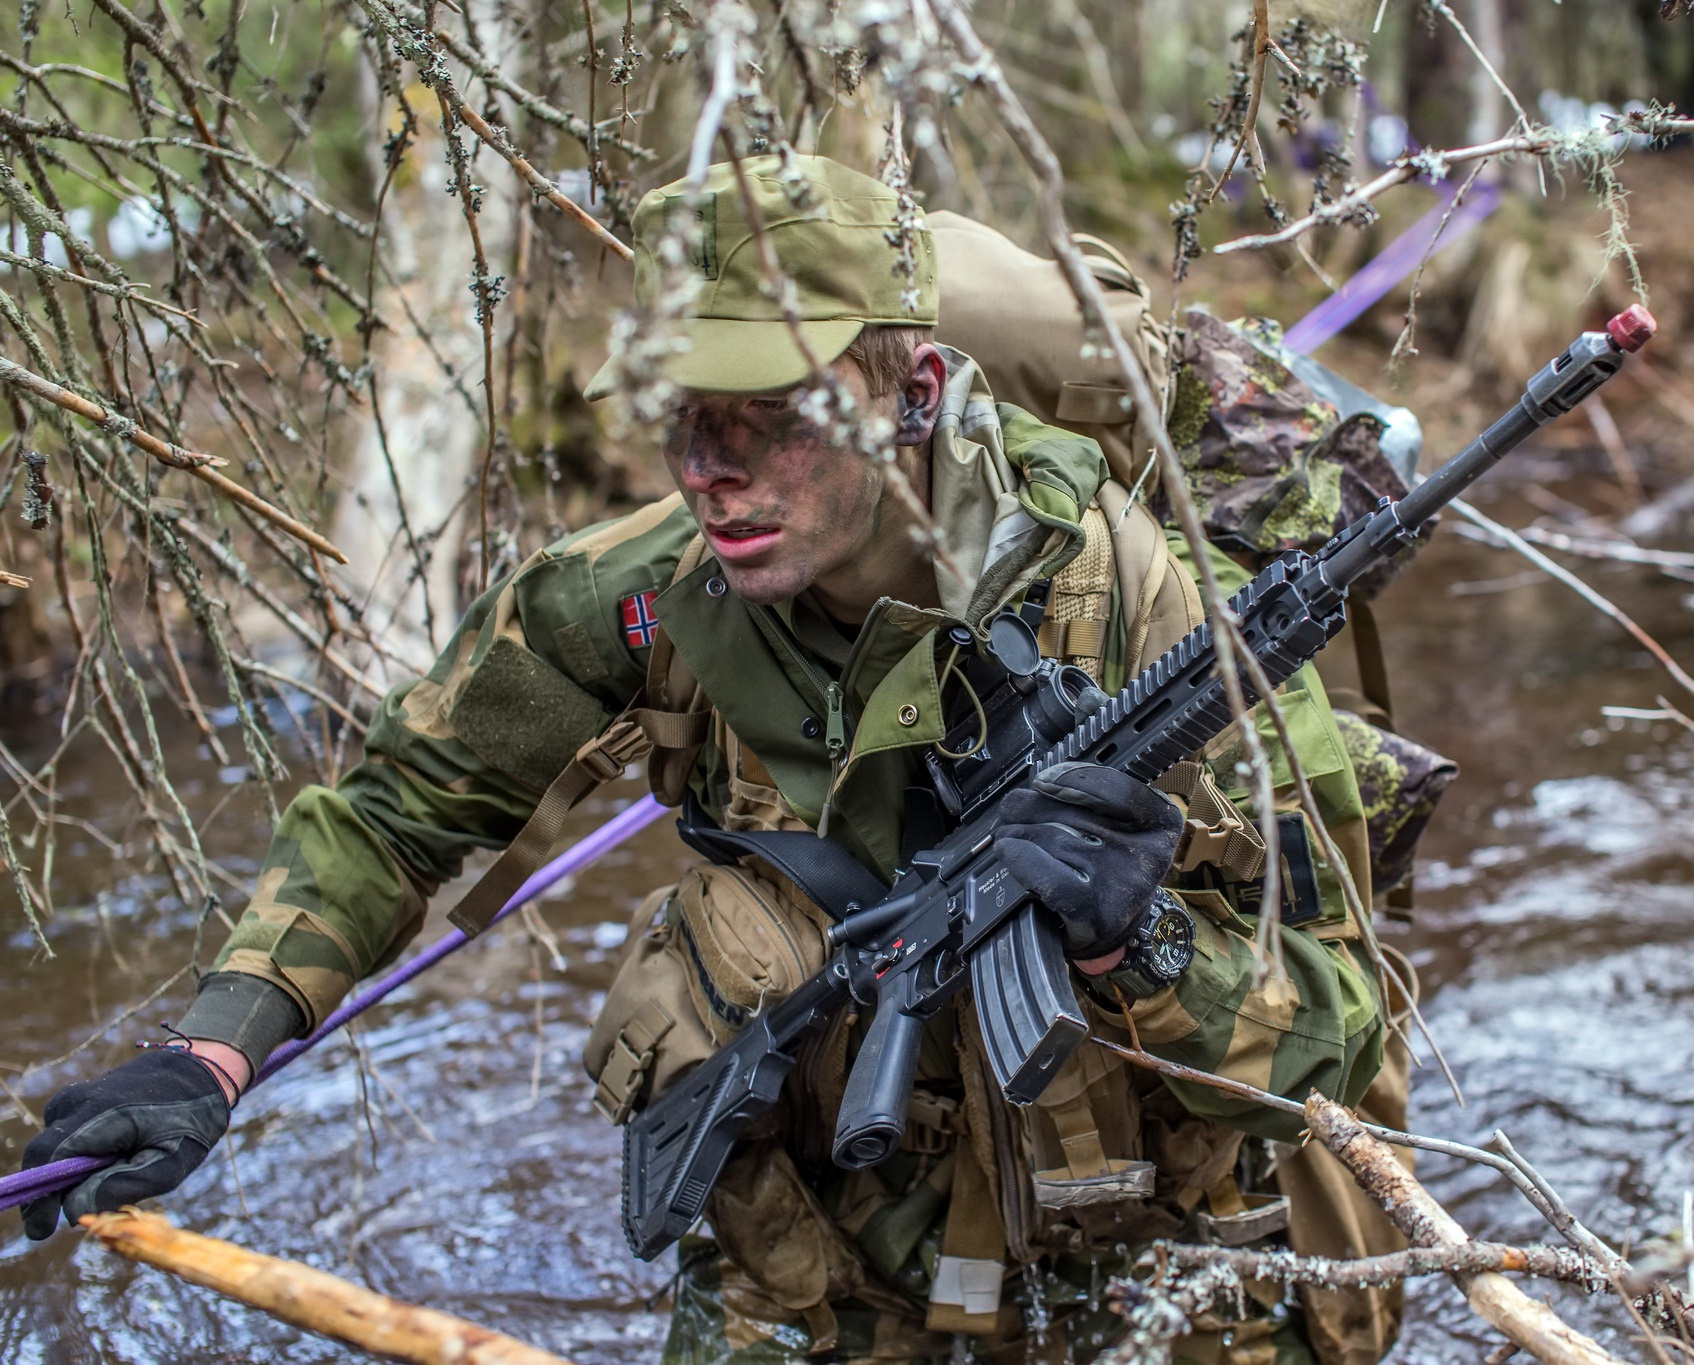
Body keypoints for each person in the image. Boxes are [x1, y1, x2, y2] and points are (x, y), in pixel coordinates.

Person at [20, 156, 1391, 1364]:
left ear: (912, 392)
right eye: (679, 416)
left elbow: (1340, 1021)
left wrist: (1133, 940)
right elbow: (401, 806)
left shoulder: (1162, 617)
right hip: (820, 1254)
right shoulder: (645, 592)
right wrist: (213, 1051)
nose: (708, 470)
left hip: (1136, 1257)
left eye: (766, 413)